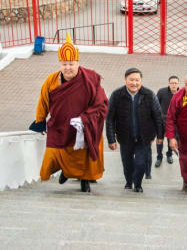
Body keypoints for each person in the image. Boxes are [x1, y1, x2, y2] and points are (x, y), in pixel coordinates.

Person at [30, 33, 108, 193]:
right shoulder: (51, 81)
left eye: (71, 64)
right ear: (60, 64)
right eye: (64, 64)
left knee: (84, 155)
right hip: (60, 126)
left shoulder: (90, 78)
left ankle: (85, 181)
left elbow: (102, 103)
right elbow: (43, 101)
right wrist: (40, 120)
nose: (68, 68)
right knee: (54, 152)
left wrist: (85, 119)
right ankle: (66, 171)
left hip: (85, 126)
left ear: (78, 63)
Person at [106, 68, 164, 193]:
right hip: (125, 136)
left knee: (141, 163)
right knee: (127, 162)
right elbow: (109, 118)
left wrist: (160, 136)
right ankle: (128, 181)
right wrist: (111, 139)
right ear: (125, 80)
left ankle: (138, 184)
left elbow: (158, 116)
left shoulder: (149, 94)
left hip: (144, 136)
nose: (134, 83)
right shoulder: (117, 95)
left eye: (137, 80)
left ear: (141, 81)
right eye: (131, 80)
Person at [155, 75, 179, 167]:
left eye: (175, 83)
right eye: (172, 83)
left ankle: (169, 155)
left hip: (173, 123)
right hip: (161, 121)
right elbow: (156, 105)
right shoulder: (162, 92)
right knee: (159, 140)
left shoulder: (181, 93)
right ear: (169, 83)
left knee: (171, 140)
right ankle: (159, 157)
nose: (173, 85)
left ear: (178, 84)